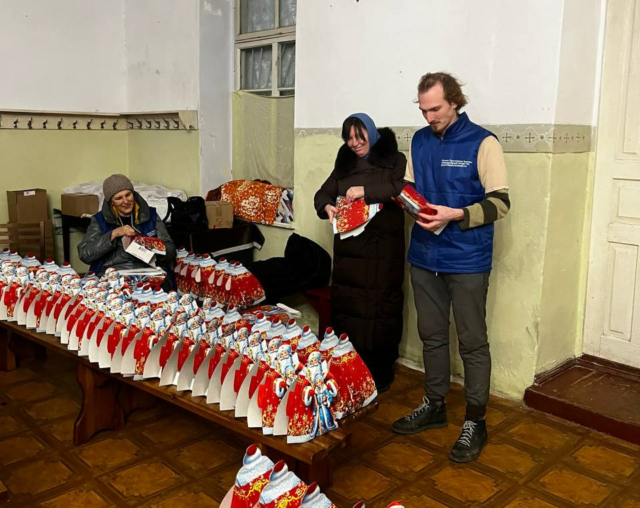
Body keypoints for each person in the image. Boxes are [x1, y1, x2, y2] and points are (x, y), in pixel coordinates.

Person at [391, 72, 510, 463]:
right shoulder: (420, 141)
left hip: (467, 258)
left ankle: (475, 421)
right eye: (423, 110)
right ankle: (435, 404)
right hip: (424, 257)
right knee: (431, 336)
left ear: (455, 101)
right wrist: (409, 203)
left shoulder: (483, 142)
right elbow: (409, 188)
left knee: (472, 342)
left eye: (436, 109)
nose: (429, 118)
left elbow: (501, 204)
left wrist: (455, 214)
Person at [314, 113, 406, 392]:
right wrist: (327, 207)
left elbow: (400, 188)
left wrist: (365, 191)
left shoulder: (394, 159)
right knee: (349, 310)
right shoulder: (344, 164)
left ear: (372, 133)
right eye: (349, 138)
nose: (354, 143)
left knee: (381, 312)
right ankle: (350, 368)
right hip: (349, 254)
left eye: (359, 136)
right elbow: (322, 194)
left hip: (382, 253)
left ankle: (380, 372)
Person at [78, 174, 176, 284]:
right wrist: (113, 234)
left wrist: (150, 246)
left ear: (133, 193)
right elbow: (85, 254)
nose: (125, 201)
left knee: (165, 286)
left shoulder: (150, 214)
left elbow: (171, 251)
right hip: (113, 272)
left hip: (148, 270)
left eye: (128, 195)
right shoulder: (99, 220)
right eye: (119, 198)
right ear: (111, 202)